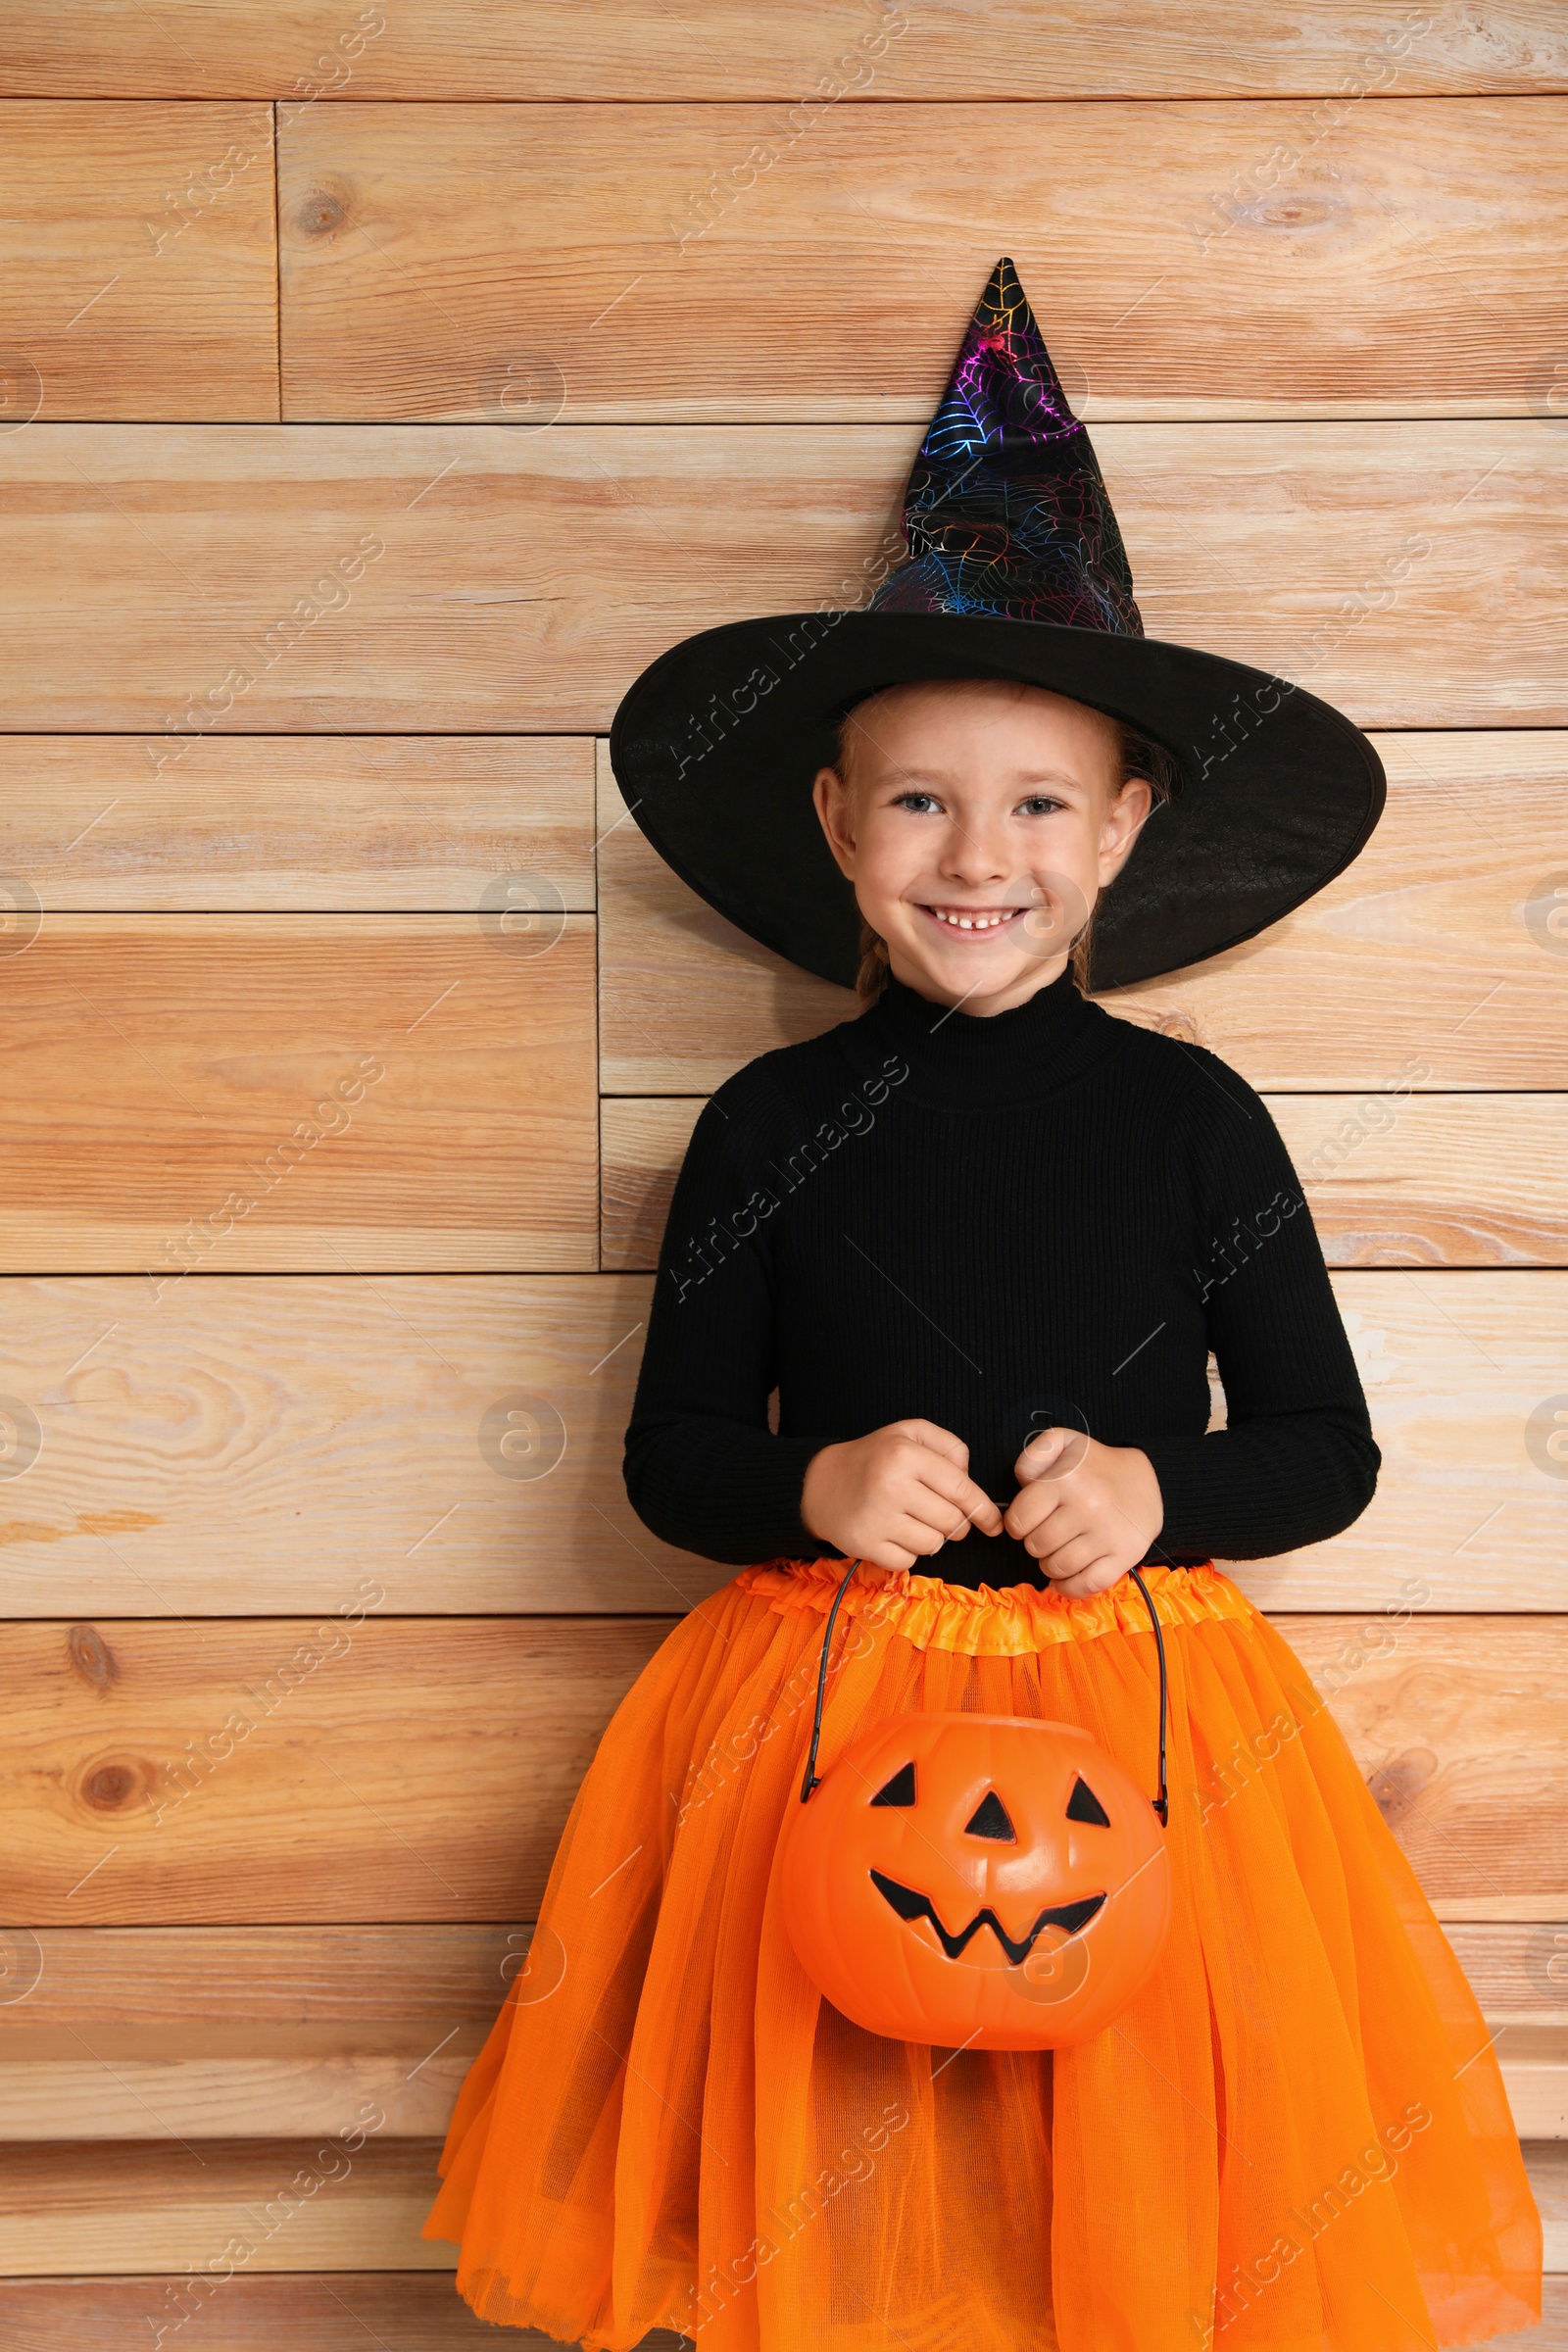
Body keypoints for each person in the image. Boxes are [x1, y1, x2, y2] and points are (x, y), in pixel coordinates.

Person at [422, 260, 1541, 2351]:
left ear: (1118, 832)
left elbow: (1322, 1444)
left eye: (1036, 803)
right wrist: (813, 1483)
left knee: (1114, 2162)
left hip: (1137, 1718)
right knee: (833, 2143)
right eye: (919, 800)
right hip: (817, 1716)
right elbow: (675, 1461)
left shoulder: (1194, 1121)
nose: (976, 856)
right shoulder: (764, 1122)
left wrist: (1161, 1491)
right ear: (837, 825)